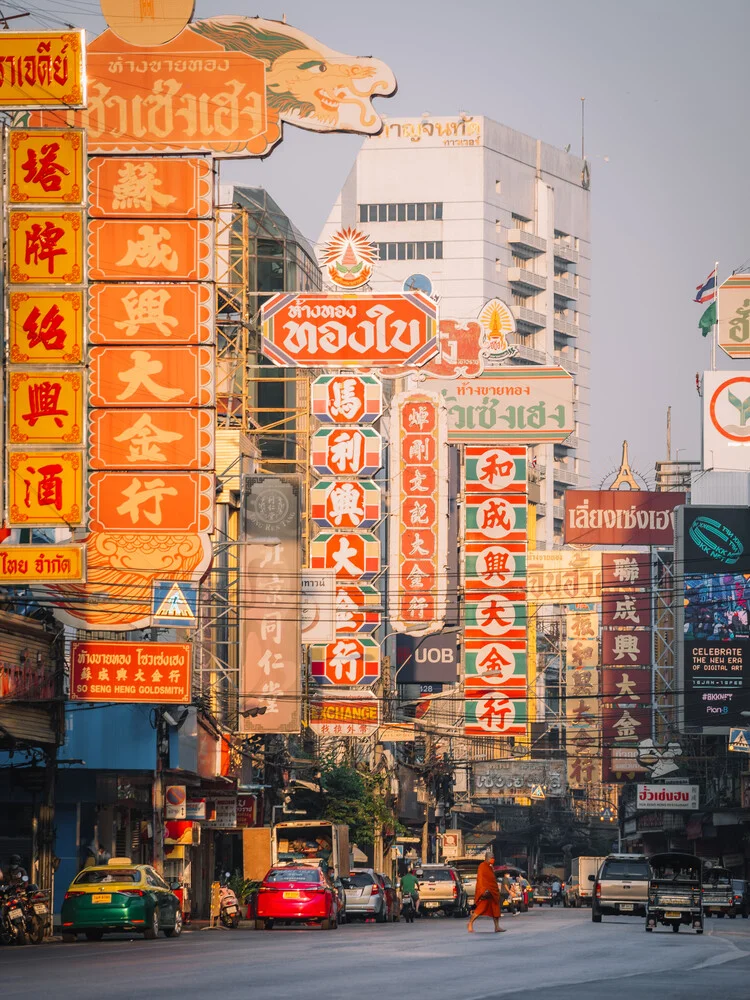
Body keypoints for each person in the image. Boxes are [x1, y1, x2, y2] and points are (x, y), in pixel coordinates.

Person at [468, 850, 505, 933]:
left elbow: (492, 879)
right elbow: (480, 879)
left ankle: (497, 927)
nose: (493, 859)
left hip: (493, 892)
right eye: (492, 858)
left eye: (493, 858)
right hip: (486, 892)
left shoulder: (490, 867)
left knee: (496, 910)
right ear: (487, 858)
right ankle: (470, 923)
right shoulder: (482, 866)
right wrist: (483, 890)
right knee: (480, 909)